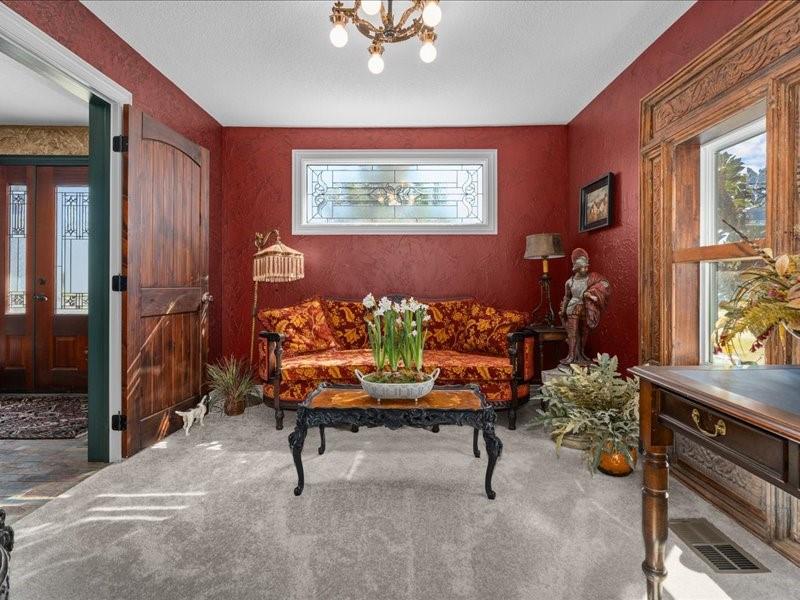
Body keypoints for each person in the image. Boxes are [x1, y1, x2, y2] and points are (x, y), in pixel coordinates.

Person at [558, 248, 611, 365]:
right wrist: (563, 310)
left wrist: (593, 292)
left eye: (587, 267)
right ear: (577, 268)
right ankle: (571, 356)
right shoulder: (569, 282)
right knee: (572, 333)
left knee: (584, 332)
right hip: (572, 308)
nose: (586, 269)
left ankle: (581, 354)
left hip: (585, 308)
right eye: (583, 267)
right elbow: (567, 297)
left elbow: (603, 284)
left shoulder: (590, 279)